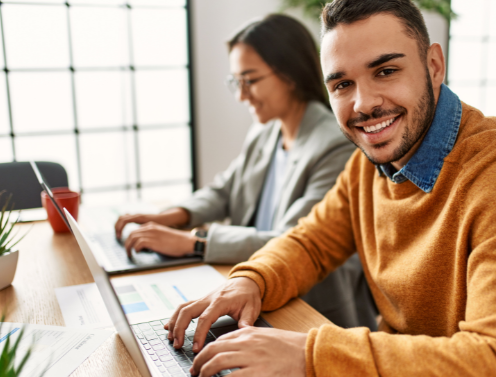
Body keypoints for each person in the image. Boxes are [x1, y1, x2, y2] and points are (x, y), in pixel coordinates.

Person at [163, 0, 496, 377]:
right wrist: (251, 281)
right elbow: (309, 244)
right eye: (342, 84)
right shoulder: (369, 166)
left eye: (386, 71)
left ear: (434, 66)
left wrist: (311, 356)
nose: (363, 103)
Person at [114, 14, 376, 330]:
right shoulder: (266, 131)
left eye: (249, 81)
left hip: (311, 312)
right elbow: (225, 190)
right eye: (235, 82)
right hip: (253, 288)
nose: (241, 95)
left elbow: (292, 242)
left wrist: (193, 242)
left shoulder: (335, 143)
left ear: (289, 74)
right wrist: (171, 216)